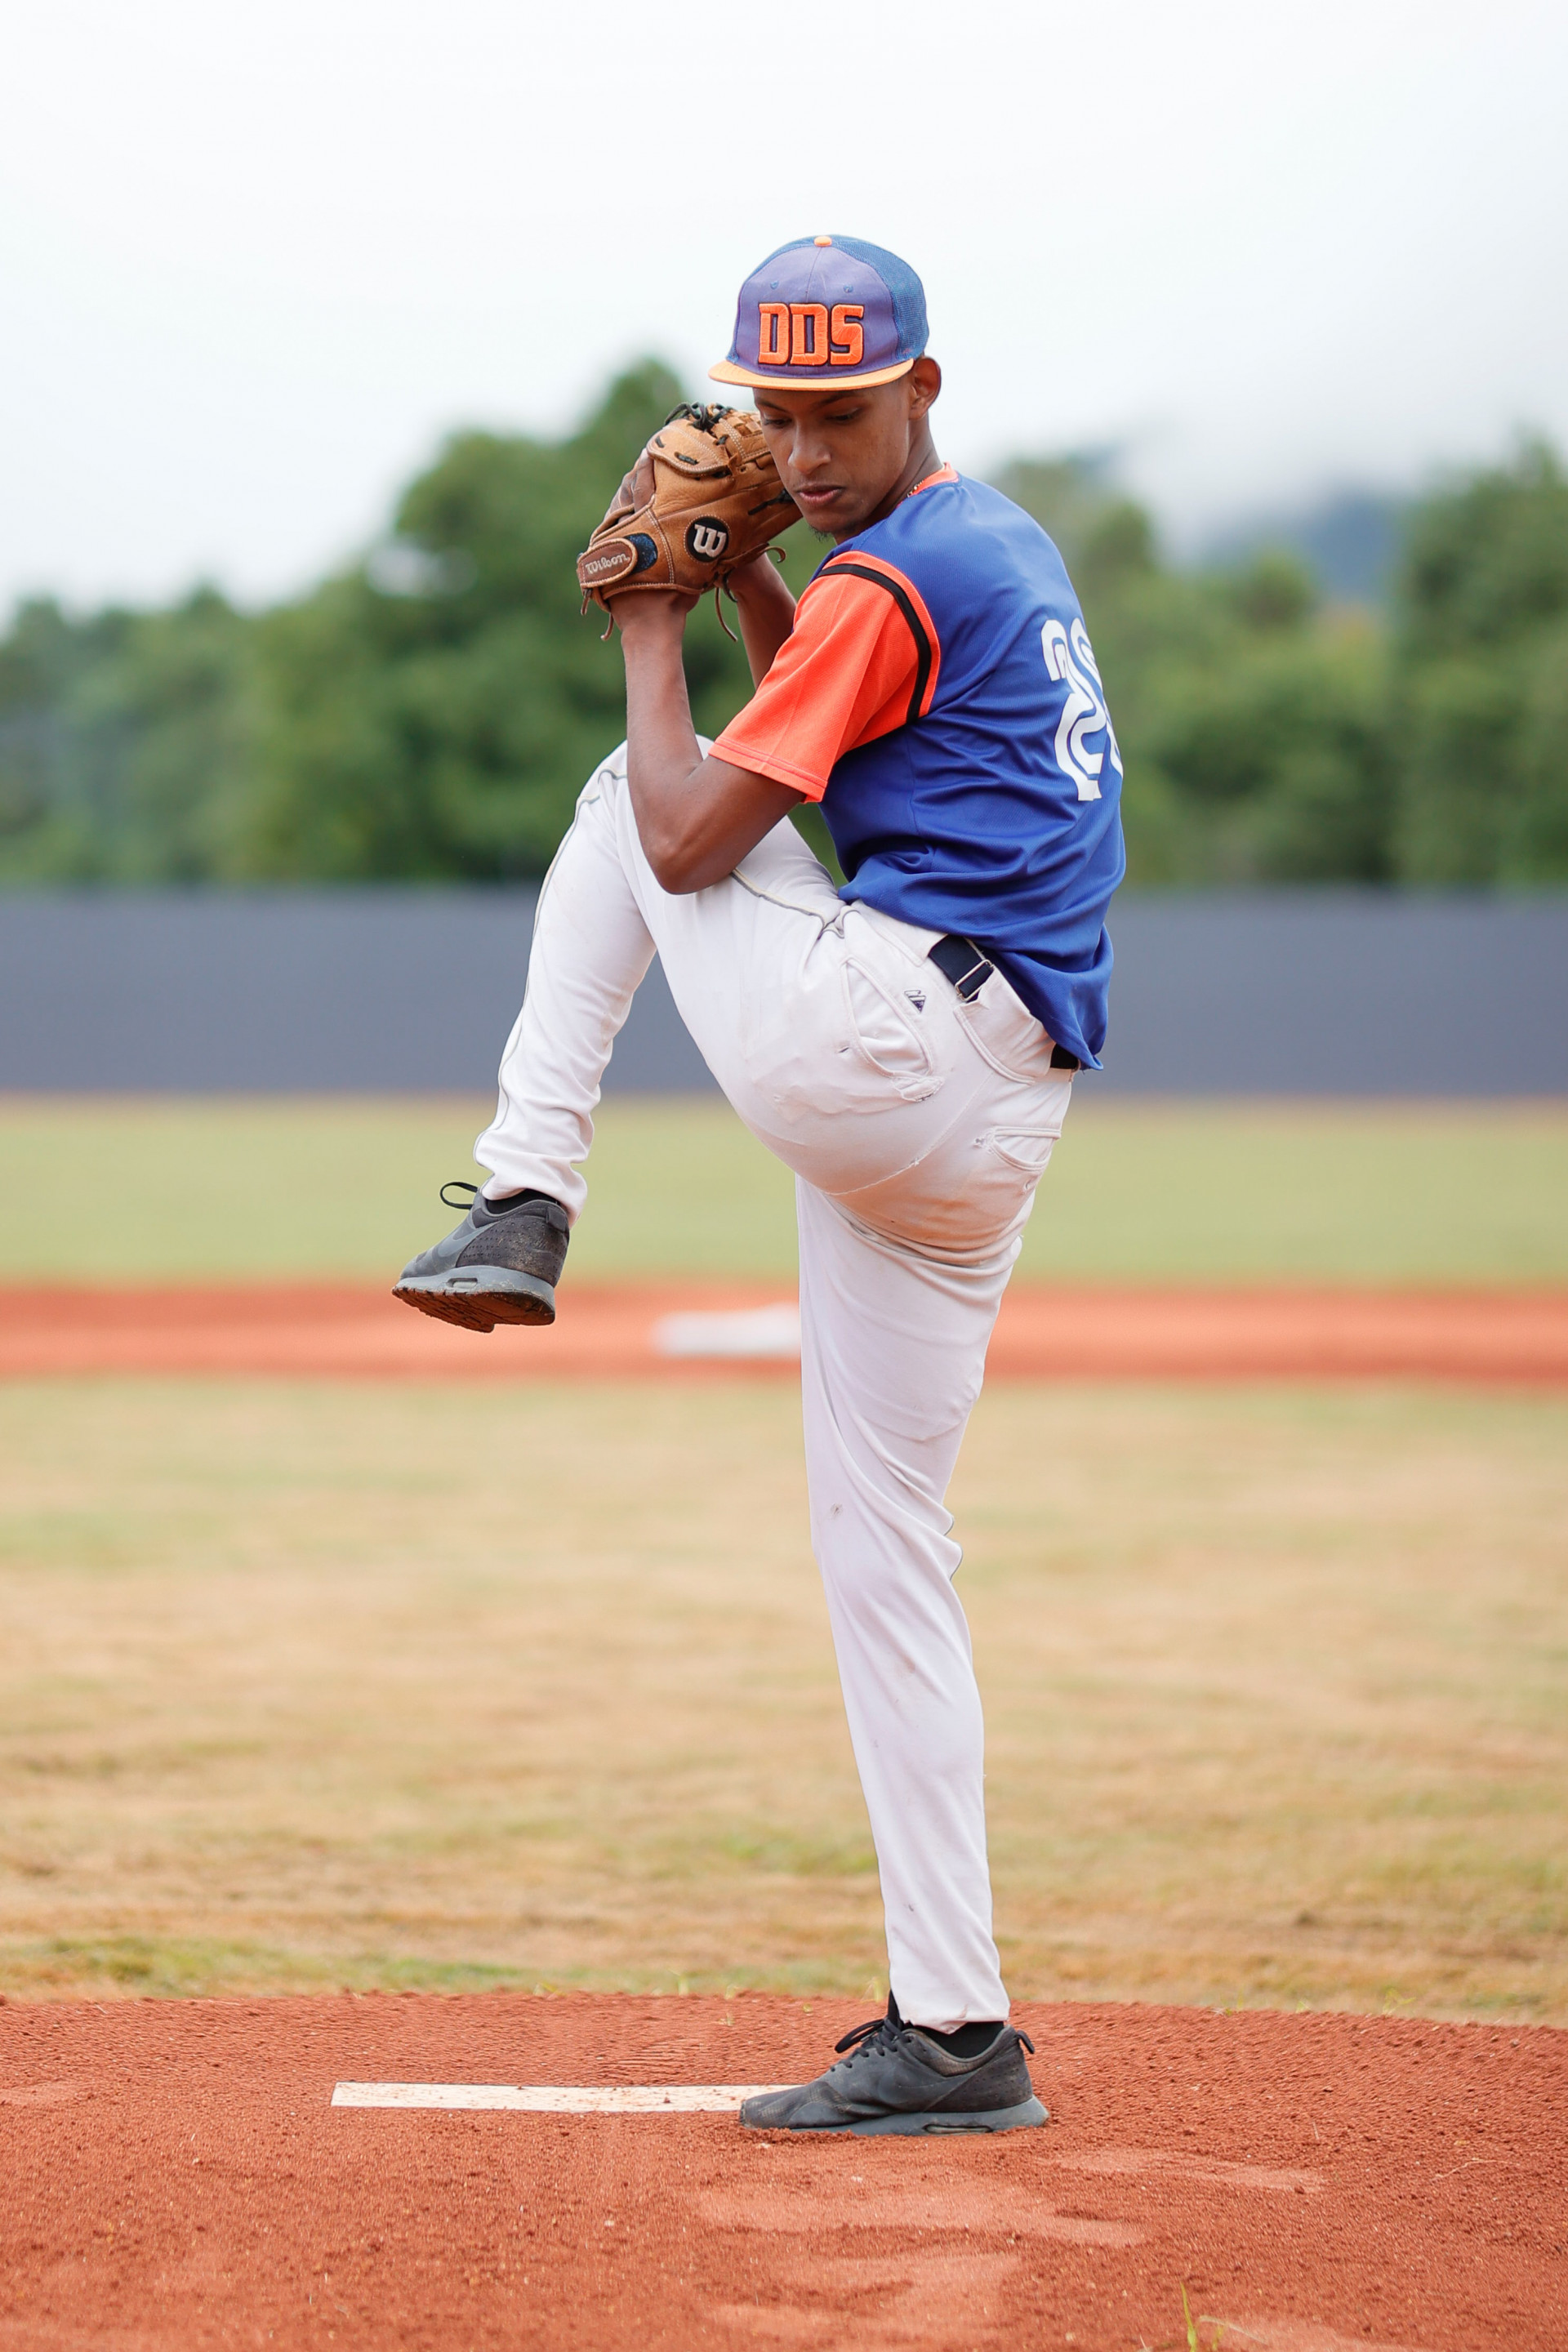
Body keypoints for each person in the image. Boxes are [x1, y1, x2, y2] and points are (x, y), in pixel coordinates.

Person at [395, 235, 1125, 2136]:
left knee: (614, 799)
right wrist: (742, 584)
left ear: (923, 390)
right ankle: (956, 2034)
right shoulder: (990, 549)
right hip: (985, 1119)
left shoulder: (894, 577)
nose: (797, 449)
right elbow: (834, 704)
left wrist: (655, 614)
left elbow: (690, 833)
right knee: (887, 1551)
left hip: (892, 1046)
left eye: (836, 412)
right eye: (775, 412)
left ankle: (525, 1187)